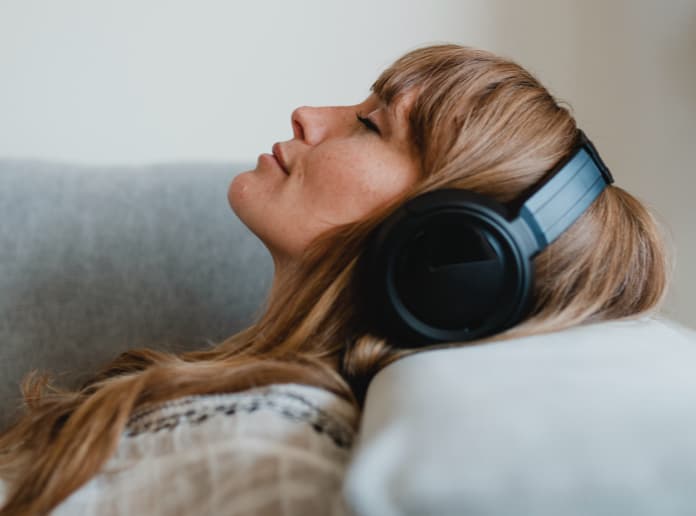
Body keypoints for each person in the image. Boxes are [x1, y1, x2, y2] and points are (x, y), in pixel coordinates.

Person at [0, 43, 668, 515]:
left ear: (450, 250)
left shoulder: (276, 459)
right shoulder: (233, 406)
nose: (308, 115)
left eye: (371, 124)